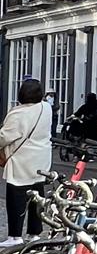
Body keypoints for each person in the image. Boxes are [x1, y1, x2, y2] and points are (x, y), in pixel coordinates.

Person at [0, 78, 53, 242]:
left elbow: (4, 137)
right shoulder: (46, 108)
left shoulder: (18, 113)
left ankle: (15, 235)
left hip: (22, 160)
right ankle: (35, 233)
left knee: (16, 197)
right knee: (37, 195)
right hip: (42, 158)